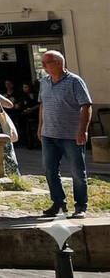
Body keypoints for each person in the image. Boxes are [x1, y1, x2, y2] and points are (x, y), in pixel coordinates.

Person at [37, 51, 93, 218]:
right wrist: (40, 126)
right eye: (42, 62)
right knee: (50, 170)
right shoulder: (44, 82)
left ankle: (81, 206)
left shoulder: (74, 81)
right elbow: (43, 105)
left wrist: (83, 130)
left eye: (47, 62)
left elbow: (86, 105)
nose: (43, 66)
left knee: (77, 172)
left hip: (71, 135)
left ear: (59, 63)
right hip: (49, 134)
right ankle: (58, 203)